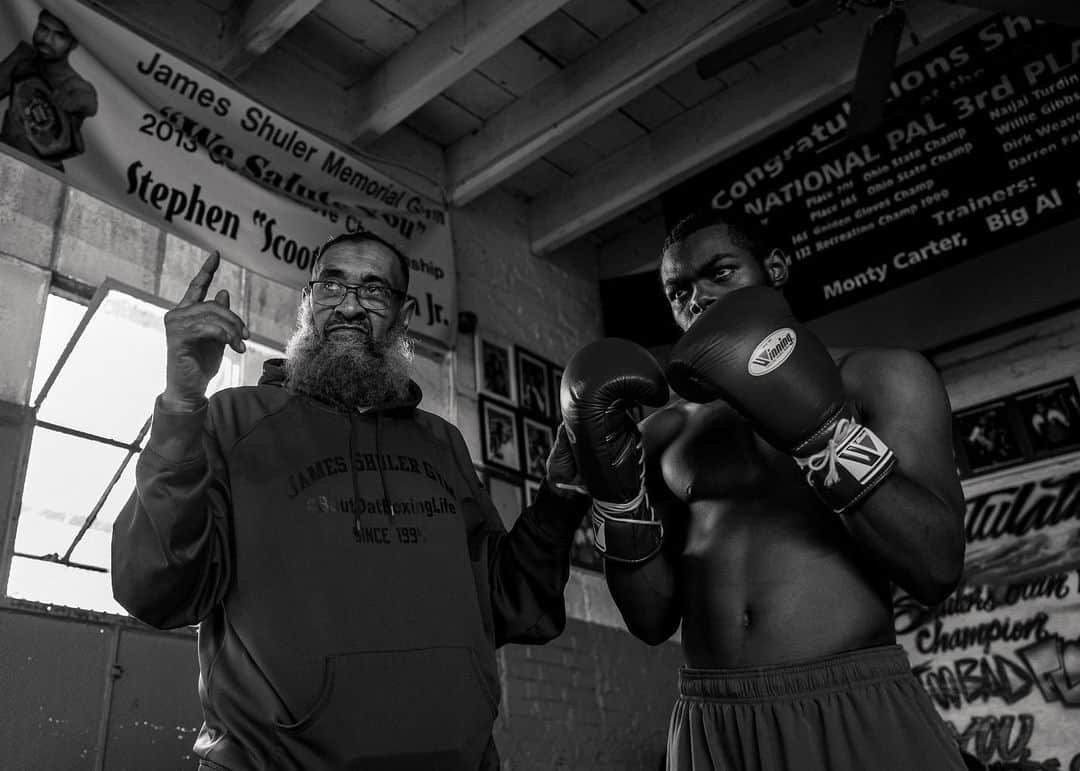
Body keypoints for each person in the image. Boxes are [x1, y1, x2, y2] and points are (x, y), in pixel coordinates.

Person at [111, 232, 590, 771]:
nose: (349, 305)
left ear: (404, 316)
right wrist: (180, 402)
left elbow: (507, 605)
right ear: (306, 302)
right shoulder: (232, 420)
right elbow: (155, 588)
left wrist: (559, 499)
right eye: (331, 285)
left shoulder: (442, 444)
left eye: (374, 291)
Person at [551, 209, 969, 770]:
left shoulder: (882, 376)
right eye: (678, 292)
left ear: (774, 267)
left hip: (850, 701)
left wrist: (824, 437)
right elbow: (650, 620)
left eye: (720, 273)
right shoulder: (668, 431)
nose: (697, 299)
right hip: (710, 722)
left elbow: (937, 566)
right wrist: (614, 497)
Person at [0, 9, 98, 171]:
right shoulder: (23, 62)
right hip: (5, 155)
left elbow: (89, 103)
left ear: (73, 44)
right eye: (43, 29)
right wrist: (14, 59)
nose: (46, 40)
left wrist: (75, 102)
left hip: (41, 174)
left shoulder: (74, 85)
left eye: (59, 36)